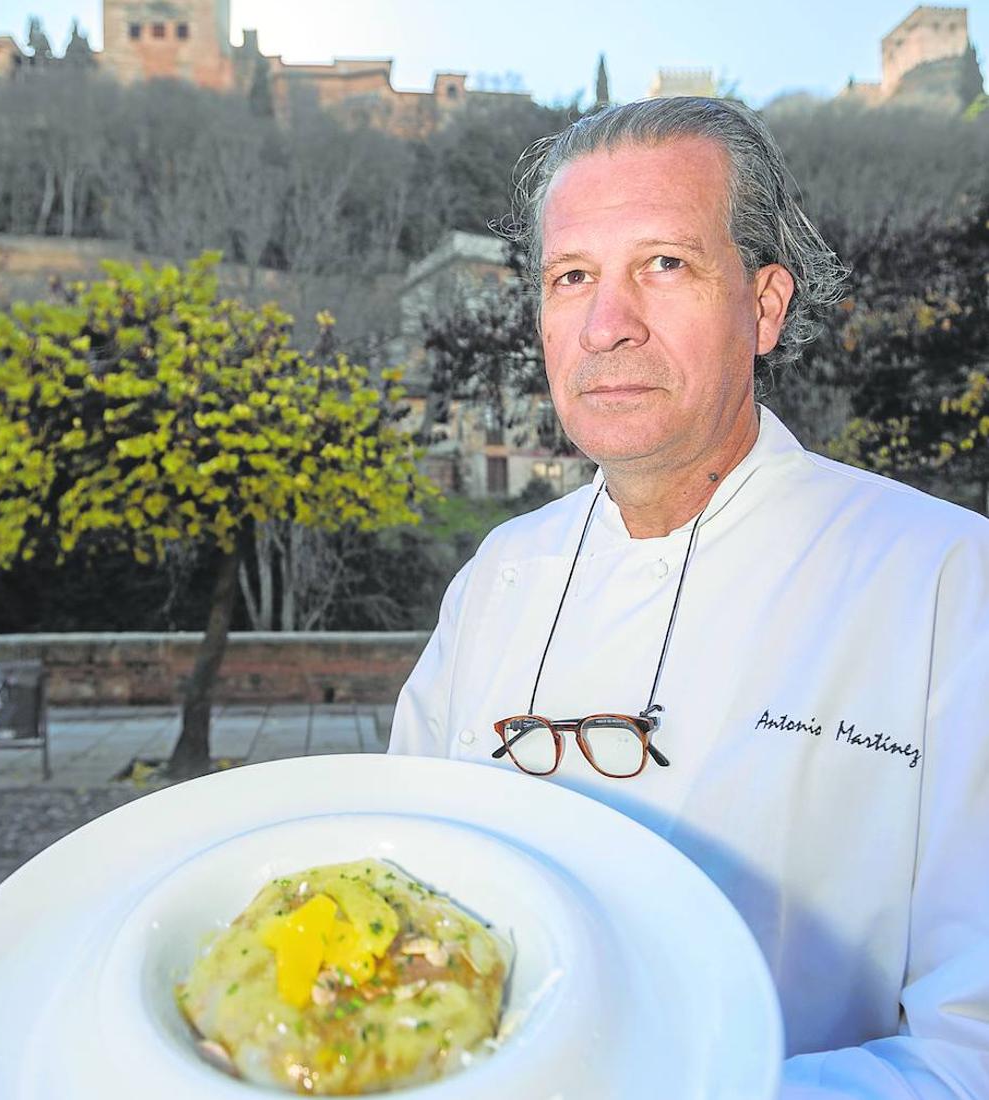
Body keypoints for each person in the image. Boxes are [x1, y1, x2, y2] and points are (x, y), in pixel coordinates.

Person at [389, 97, 989, 1098]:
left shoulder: (943, 578)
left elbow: (971, 1042)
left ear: (763, 305)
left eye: (663, 264)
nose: (606, 325)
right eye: (570, 276)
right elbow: (408, 891)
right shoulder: (497, 574)